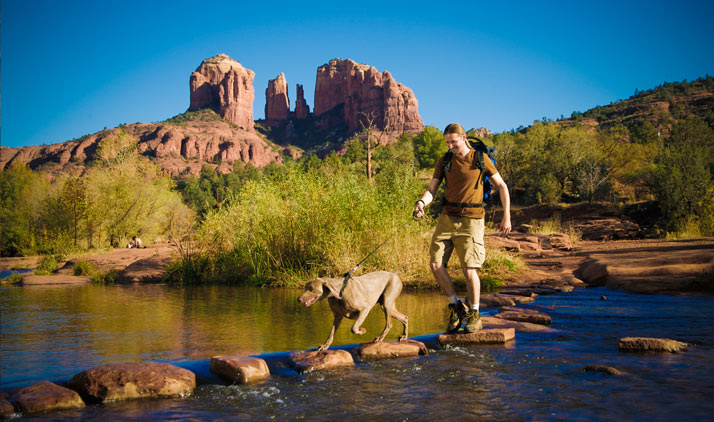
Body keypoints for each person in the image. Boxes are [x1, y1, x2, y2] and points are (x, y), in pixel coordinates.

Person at [413, 123, 511, 333]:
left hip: (472, 220)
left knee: (469, 269)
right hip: (447, 219)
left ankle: (474, 315)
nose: (450, 146)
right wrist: (421, 204)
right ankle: (457, 306)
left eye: (453, 142)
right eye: (447, 142)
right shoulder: (445, 161)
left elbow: (501, 186)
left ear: (464, 138)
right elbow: (432, 189)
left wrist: (507, 216)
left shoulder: (479, 159)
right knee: (435, 264)